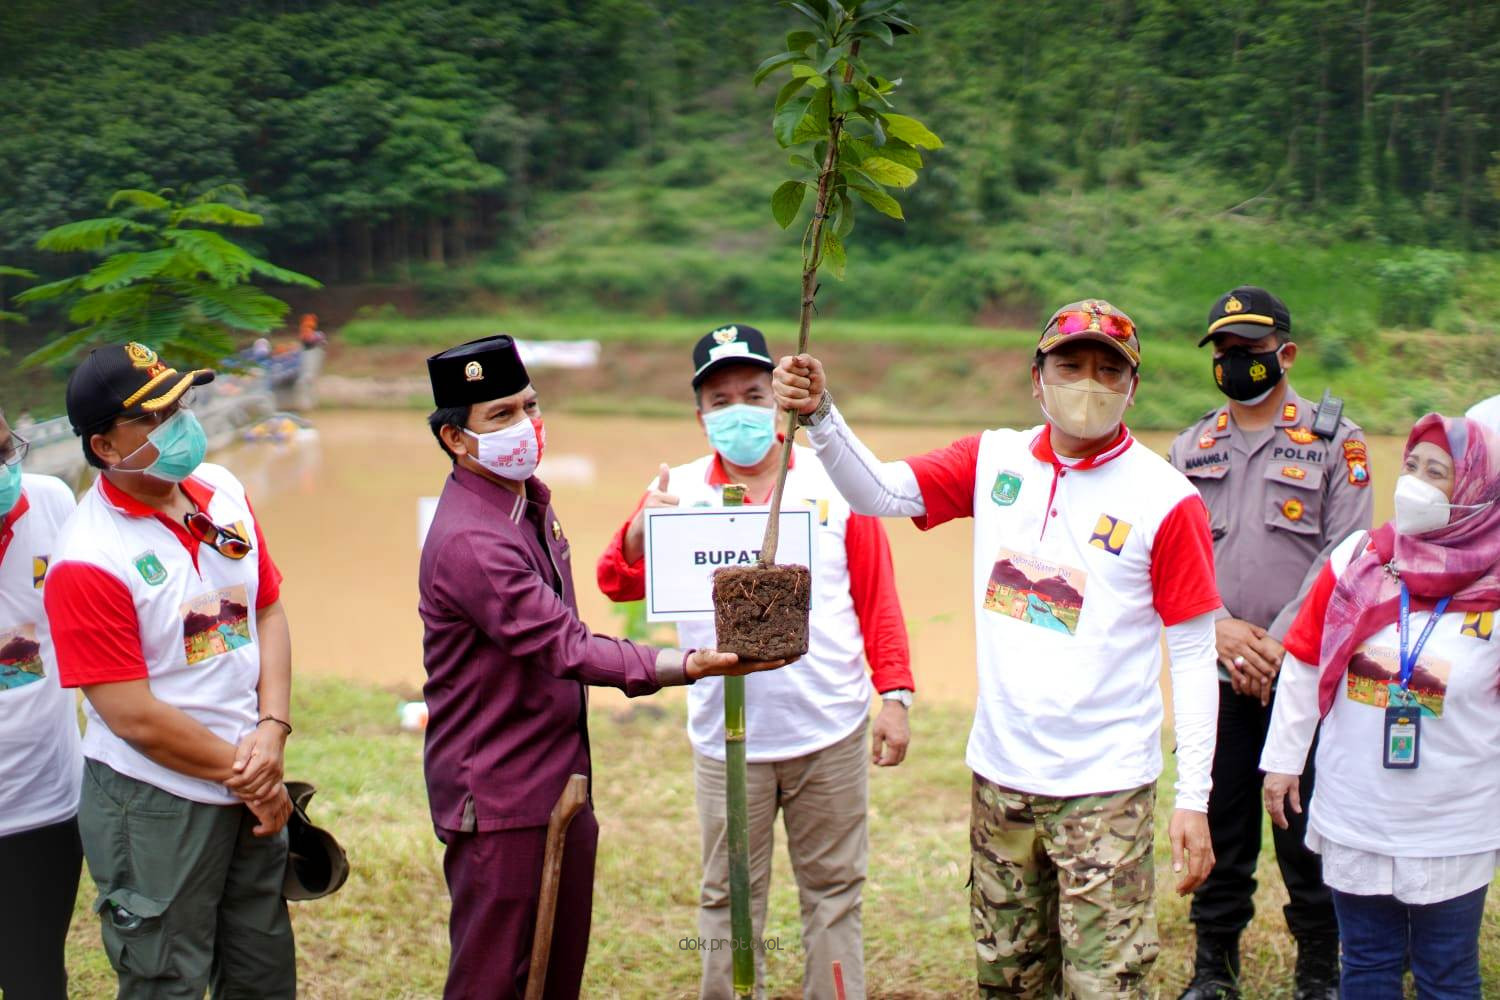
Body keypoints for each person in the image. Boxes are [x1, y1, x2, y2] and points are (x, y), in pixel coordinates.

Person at [773, 300, 1222, 997]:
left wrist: (1194, 798)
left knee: (1107, 984)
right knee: (1009, 976)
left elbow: (1193, 657)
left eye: (1110, 370)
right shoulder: (993, 459)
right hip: (1001, 777)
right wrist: (823, 417)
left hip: (1103, 787)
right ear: (1035, 378)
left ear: (1133, 388)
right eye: (1070, 365)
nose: (1088, 383)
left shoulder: (1166, 500)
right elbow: (881, 492)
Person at [419, 335, 788, 1000]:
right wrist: (687, 663)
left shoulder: (526, 502)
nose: (526, 426)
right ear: (456, 439)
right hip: (501, 795)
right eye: (499, 415)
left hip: (554, 776)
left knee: (555, 969)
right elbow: (566, 645)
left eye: (529, 406)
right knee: (494, 978)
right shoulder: (474, 538)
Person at [596, 324, 915, 1000]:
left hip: (828, 729)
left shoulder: (834, 481)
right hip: (724, 740)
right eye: (719, 399)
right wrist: (639, 527)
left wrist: (896, 695)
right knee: (726, 896)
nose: (737, 409)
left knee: (834, 893)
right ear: (700, 415)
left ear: (781, 399)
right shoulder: (677, 491)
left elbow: (876, 597)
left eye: (753, 392)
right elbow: (616, 579)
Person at [43, 342, 297, 998]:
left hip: (249, 768)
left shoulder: (224, 493)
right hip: (156, 801)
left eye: (180, 404)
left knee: (261, 967)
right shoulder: (89, 556)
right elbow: (131, 715)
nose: (182, 422)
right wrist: (252, 778)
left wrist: (272, 728)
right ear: (104, 446)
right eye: (155, 419)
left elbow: (266, 610)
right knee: (168, 980)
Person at [1167, 286, 1372, 999]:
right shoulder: (1190, 448)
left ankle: (1319, 969)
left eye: (1248, 351)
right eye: (1223, 352)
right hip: (1215, 670)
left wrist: (1280, 644)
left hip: (1304, 673)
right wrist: (1220, 629)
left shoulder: (1335, 442)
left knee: (1307, 826)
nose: (1233, 362)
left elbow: (1345, 554)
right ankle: (1212, 969)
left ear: (1284, 354)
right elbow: (1176, 559)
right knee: (1219, 823)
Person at [1262, 413, 1500, 1000]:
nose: (1413, 482)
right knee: (1366, 964)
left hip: (1453, 821)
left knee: (1447, 972)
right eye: (1412, 465)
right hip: (1359, 807)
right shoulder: (1360, 557)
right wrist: (1284, 760)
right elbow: (1305, 659)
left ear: (1475, 491)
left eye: (1437, 471)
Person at [0, 410, 83, 1000]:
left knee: (35, 975)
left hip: (45, 809)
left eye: (6, 450)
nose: (6, 471)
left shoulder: (51, 500)